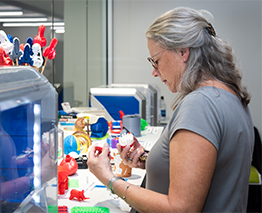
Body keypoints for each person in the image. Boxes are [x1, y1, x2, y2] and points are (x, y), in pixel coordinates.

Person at [87, 7, 254, 213]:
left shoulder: (200, 104)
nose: (154, 71)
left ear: (183, 51)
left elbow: (180, 209)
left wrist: (109, 179)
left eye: (155, 60)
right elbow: (206, 173)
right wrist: (151, 160)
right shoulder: (230, 95)